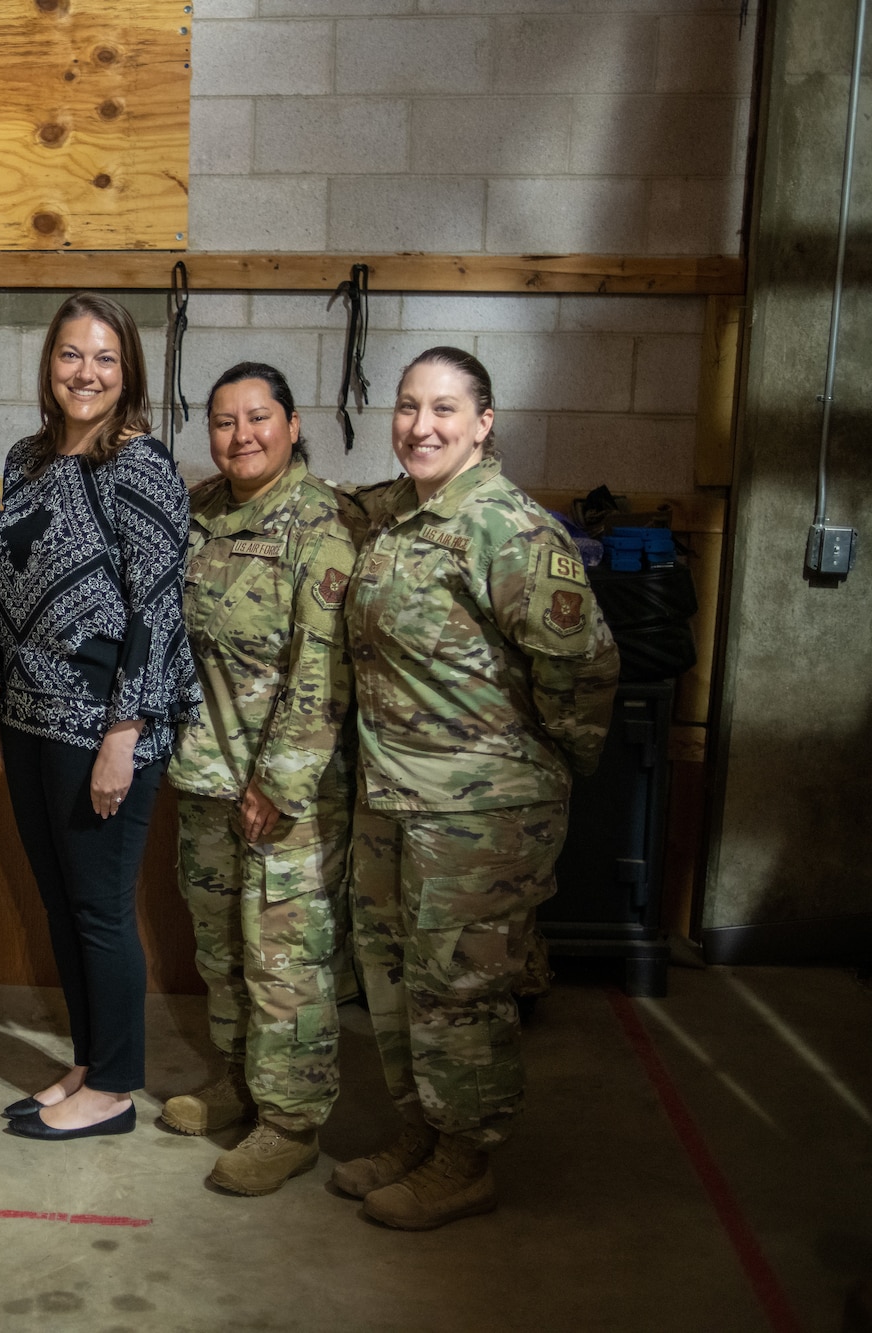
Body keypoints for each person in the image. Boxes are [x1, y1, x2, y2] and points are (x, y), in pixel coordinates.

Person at [341, 347, 619, 1229]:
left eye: (446, 410)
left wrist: (536, 765)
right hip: (396, 798)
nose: (422, 426)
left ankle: (465, 1161)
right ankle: (422, 1134)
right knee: (394, 977)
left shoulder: (508, 527)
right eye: (408, 406)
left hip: (481, 811)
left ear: (484, 423)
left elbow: (584, 666)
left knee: (460, 988)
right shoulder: (401, 514)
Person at [0, 292, 200, 1142]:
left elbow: (156, 607)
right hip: (31, 718)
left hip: (105, 726)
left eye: (105, 357)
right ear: (50, 365)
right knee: (61, 902)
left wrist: (126, 735)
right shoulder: (26, 457)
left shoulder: (141, 464)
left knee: (102, 908)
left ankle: (113, 1086)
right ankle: (88, 1056)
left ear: (128, 372)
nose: (86, 372)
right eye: (71, 355)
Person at [159, 363, 357, 1192]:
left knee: (286, 962)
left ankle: (291, 1119)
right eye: (223, 421)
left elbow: (323, 670)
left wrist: (275, 783)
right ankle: (239, 1082)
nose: (241, 435)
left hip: (284, 790)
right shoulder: (203, 510)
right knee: (221, 950)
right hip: (206, 775)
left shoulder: (320, 524)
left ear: (292, 421)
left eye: (258, 417)